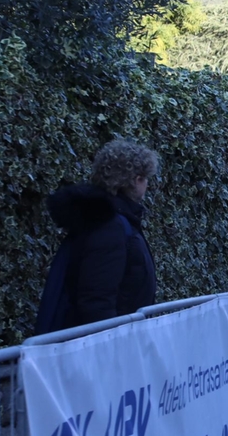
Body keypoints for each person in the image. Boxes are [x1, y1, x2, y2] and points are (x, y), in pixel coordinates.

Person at [38, 140, 160, 333]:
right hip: (113, 346)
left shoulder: (109, 219)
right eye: (145, 178)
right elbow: (97, 300)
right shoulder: (111, 227)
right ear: (136, 179)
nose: (147, 185)